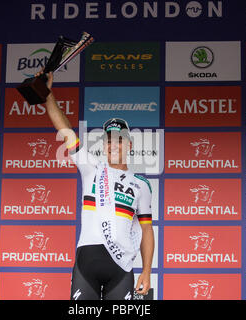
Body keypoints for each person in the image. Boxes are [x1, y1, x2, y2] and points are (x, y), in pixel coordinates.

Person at [40, 71, 155, 300]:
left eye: (119, 139)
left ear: (129, 145)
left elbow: (146, 229)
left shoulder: (141, 184)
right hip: (87, 264)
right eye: (109, 140)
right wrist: (47, 94)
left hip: (121, 268)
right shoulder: (91, 167)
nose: (114, 145)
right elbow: (64, 131)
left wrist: (147, 271)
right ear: (103, 146)